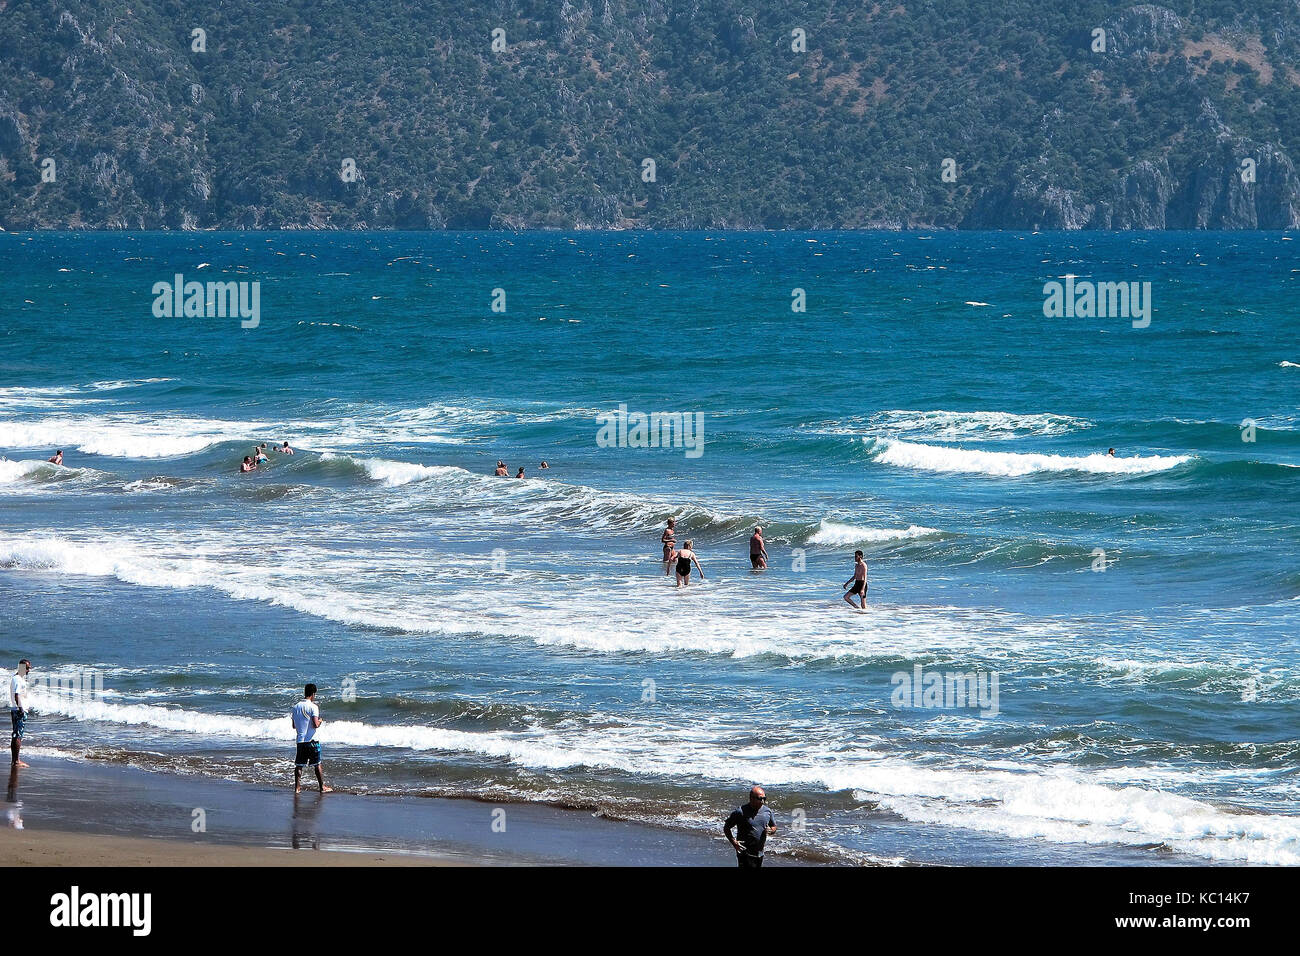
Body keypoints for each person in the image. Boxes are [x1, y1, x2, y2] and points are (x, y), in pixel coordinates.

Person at [291, 684, 332, 794]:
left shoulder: (295, 707)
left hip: (300, 741)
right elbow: (315, 724)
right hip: (312, 741)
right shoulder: (313, 707)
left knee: (299, 765)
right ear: (313, 694)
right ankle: (322, 787)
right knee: (317, 764)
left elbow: (294, 726)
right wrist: (320, 721)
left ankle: (297, 788)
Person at [724, 786, 777, 868]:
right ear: (751, 798)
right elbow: (726, 827)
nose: (762, 801)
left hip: (759, 853)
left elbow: (773, 826)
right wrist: (734, 842)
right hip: (745, 853)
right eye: (760, 799)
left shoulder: (767, 811)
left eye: (764, 798)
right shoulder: (740, 812)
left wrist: (771, 830)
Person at [10, 660, 32, 768]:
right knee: (18, 735)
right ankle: (16, 761)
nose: (29, 670)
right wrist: (21, 709)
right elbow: (16, 695)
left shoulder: (16, 678)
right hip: (18, 710)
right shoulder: (18, 680)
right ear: (22, 668)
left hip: (15, 709)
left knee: (15, 735)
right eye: (27, 668)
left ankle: (14, 760)